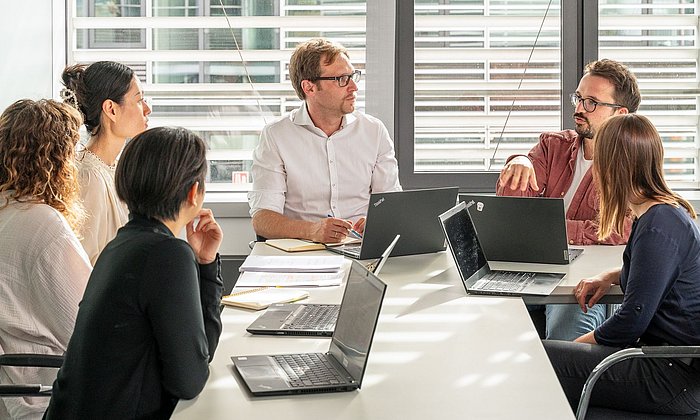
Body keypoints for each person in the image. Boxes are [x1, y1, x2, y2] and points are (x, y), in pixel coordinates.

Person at [45, 127, 224, 419]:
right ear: (194, 192)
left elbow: (196, 358)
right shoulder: (166, 255)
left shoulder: (122, 245)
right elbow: (190, 380)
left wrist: (205, 263)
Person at [543, 114, 700, 416]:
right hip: (665, 363)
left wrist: (578, 347)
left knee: (538, 359)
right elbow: (657, 273)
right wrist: (610, 275)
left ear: (613, 166)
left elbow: (632, 319)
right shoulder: (660, 213)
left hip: (669, 377)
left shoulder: (659, 225)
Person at [497, 59, 641, 341]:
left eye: (591, 103)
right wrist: (520, 161)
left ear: (619, 113)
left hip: (588, 280)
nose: (577, 109)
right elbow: (512, 213)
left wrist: (551, 230)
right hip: (534, 269)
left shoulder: (632, 161)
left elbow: (621, 228)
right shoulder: (553, 146)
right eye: (578, 98)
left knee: (566, 340)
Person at [248, 38, 401, 244]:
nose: (354, 87)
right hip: (302, 251)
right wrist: (313, 230)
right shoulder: (276, 135)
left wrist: (380, 220)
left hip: (362, 250)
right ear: (309, 87)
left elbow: (392, 204)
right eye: (341, 79)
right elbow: (263, 219)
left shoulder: (374, 131)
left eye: (353, 76)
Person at [0, 99, 91, 419]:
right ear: (56, 160)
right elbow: (88, 329)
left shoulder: (6, 210)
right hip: (46, 399)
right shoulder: (43, 224)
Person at [61, 61, 152, 264]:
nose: (147, 109)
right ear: (111, 109)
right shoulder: (89, 177)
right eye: (139, 100)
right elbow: (84, 265)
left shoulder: (116, 169)